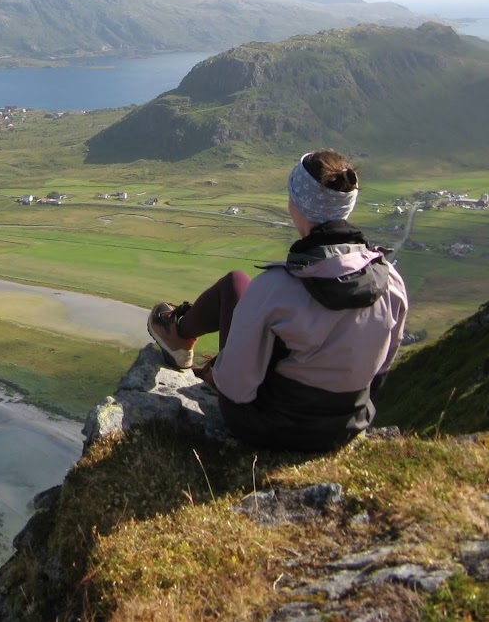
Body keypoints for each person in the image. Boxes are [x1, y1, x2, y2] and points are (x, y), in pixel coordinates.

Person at [148, 149, 408, 451]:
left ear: (294, 204)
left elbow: (234, 389)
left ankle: (178, 336)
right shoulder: (390, 282)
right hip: (345, 427)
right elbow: (378, 375)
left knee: (236, 282)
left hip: (267, 428)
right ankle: (182, 337)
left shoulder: (277, 289)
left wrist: (222, 369)